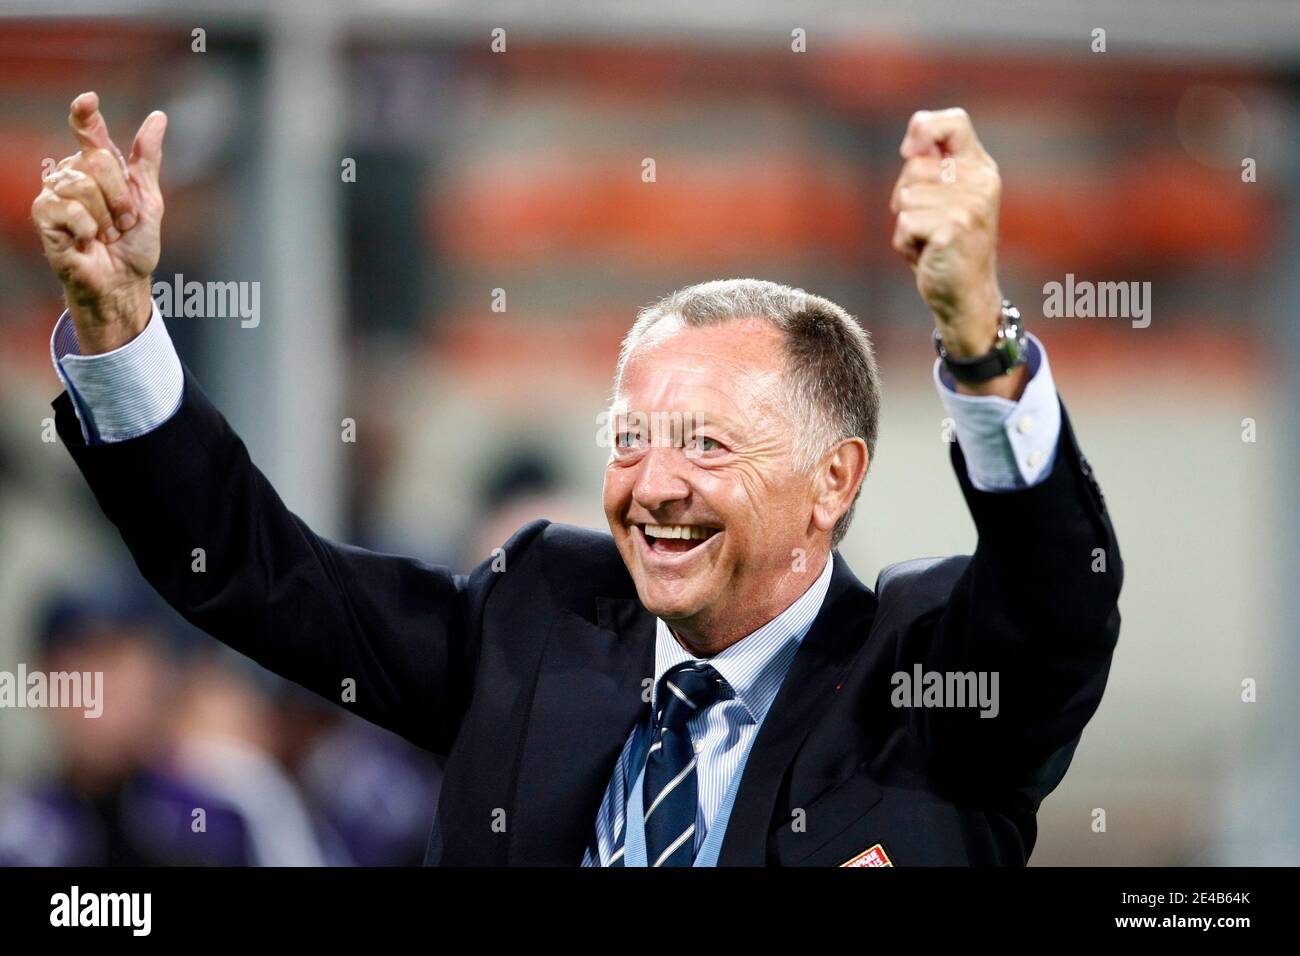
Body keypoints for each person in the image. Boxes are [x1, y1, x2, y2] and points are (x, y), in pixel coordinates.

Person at [31, 92, 1121, 866]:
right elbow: (257, 573)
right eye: (630, 437)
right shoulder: (535, 617)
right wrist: (121, 332)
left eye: (702, 443)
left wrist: (979, 341)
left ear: (831, 481)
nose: (651, 484)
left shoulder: (922, 685)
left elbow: (1055, 598)